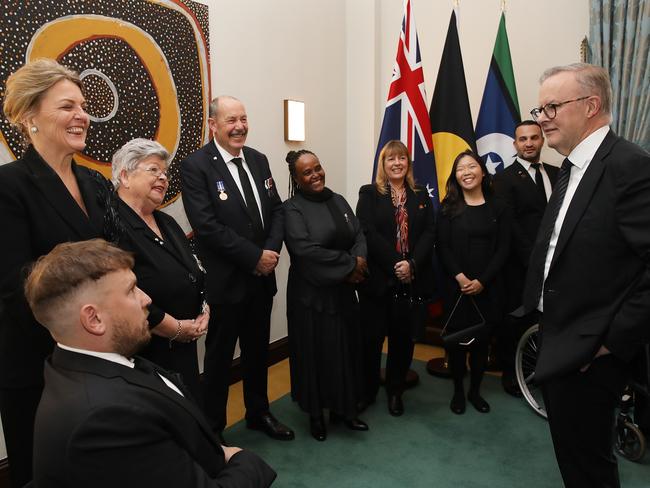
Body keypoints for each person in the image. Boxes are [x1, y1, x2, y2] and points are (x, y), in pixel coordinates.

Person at [24, 239, 276, 488]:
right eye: (131, 289)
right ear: (94, 318)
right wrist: (243, 459)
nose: (146, 299)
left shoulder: (90, 362)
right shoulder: (105, 419)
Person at [522, 63, 650, 488]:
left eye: (552, 107)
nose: (542, 119)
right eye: (540, 109)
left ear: (591, 106)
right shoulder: (570, 168)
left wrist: (612, 343)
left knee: (590, 466)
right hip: (557, 335)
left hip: (592, 352)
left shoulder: (629, 166)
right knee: (572, 456)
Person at [0, 58, 113, 488]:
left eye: (83, 106)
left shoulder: (95, 184)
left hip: (100, 357)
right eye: (67, 106)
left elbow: (118, 260)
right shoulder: (9, 186)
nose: (82, 115)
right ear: (30, 116)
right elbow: (15, 285)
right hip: (39, 367)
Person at [180, 96, 293, 442]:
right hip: (226, 284)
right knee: (218, 362)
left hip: (261, 281)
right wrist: (253, 256)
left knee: (257, 353)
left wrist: (270, 251)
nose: (239, 126)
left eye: (243, 118)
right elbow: (207, 226)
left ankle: (259, 413)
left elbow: (276, 211)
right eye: (231, 120)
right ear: (213, 125)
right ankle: (213, 430)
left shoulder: (257, 160)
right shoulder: (196, 166)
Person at [112, 138, 209, 402]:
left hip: (183, 346)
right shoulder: (113, 226)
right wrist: (175, 328)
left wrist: (204, 310)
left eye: (164, 172)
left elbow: (196, 268)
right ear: (125, 176)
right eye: (153, 170)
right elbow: (122, 291)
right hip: (146, 352)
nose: (163, 178)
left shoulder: (165, 220)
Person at [283, 149, 369, 441]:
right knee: (316, 354)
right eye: (307, 172)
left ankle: (344, 410)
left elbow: (358, 234)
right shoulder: (291, 209)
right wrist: (349, 266)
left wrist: (358, 262)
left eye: (317, 168)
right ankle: (316, 415)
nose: (315, 175)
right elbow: (305, 251)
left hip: (343, 293)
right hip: (311, 297)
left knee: (345, 350)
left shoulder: (339, 200)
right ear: (296, 179)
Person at [356, 140, 435, 416]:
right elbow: (366, 232)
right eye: (391, 159)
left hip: (410, 281)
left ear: (408, 163)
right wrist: (396, 263)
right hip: (378, 280)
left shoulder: (421, 194)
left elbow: (429, 233)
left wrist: (411, 265)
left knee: (403, 341)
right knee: (371, 340)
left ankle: (395, 391)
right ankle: (366, 392)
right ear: (383, 164)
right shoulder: (369, 193)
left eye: (402, 158)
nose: (397, 163)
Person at [437, 150, 511, 415]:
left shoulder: (499, 206)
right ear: (455, 176)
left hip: (488, 287)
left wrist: (482, 281)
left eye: (471, 167)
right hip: (456, 287)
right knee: (458, 344)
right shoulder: (448, 207)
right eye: (460, 169)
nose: (466, 172)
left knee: (481, 344)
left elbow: (504, 248)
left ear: (482, 171)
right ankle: (458, 391)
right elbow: (442, 247)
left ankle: (475, 392)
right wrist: (460, 277)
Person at [492, 120, 558, 396]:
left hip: (557, 262)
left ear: (542, 140)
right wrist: (534, 259)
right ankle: (512, 374)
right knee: (517, 320)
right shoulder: (503, 179)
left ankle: (543, 371)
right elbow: (510, 225)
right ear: (515, 144)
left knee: (550, 319)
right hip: (521, 265)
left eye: (533, 137)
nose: (528, 143)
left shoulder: (559, 173)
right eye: (522, 139)